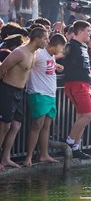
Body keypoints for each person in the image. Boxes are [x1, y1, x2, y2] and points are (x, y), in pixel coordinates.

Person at [0, 27, 48, 169]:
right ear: (37, 39)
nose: (47, 41)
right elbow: (3, 68)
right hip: (8, 89)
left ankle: (5, 158)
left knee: (16, 126)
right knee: (4, 126)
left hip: (20, 92)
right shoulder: (20, 52)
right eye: (45, 38)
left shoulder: (34, 53)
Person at [24, 32, 67, 167]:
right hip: (38, 92)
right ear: (56, 45)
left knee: (46, 126)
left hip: (50, 94)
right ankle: (29, 156)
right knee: (37, 125)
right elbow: (28, 66)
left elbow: (45, 67)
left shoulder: (51, 56)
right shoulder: (39, 53)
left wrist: (56, 66)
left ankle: (44, 154)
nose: (62, 51)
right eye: (62, 47)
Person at [63, 20, 91, 159]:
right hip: (75, 85)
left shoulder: (83, 46)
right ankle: (69, 142)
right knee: (89, 116)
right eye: (88, 31)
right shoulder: (70, 45)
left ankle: (76, 147)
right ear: (80, 31)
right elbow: (58, 55)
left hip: (85, 85)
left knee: (82, 117)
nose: (90, 33)